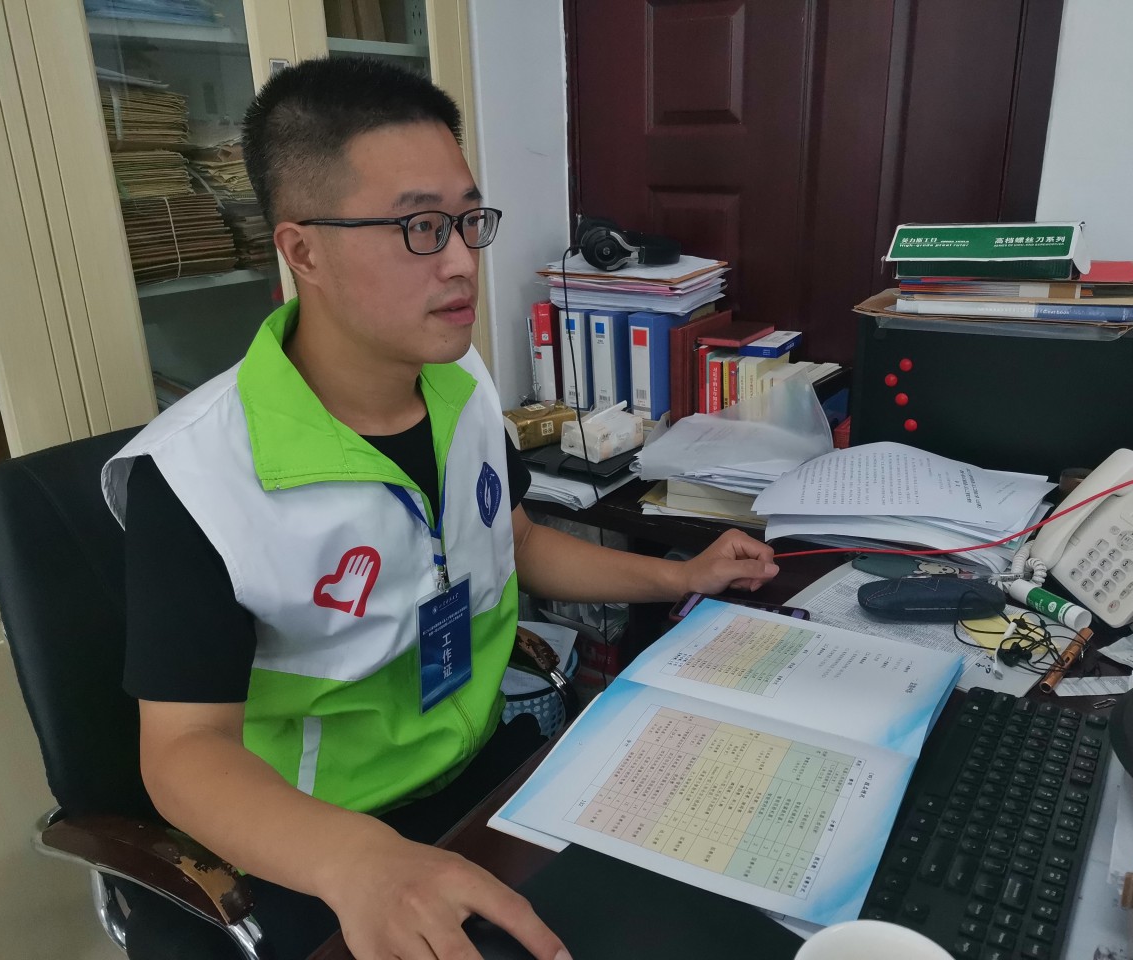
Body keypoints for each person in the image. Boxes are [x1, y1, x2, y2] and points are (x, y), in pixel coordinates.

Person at [101, 56, 778, 960]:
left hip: (484, 773)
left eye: (467, 220)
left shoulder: (457, 380)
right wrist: (354, 858)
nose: (462, 261)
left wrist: (680, 575)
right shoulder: (196, 477)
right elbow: (183, 752)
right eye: (420, 227)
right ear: (303, 250)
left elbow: (515, 540)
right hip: (322, 843)